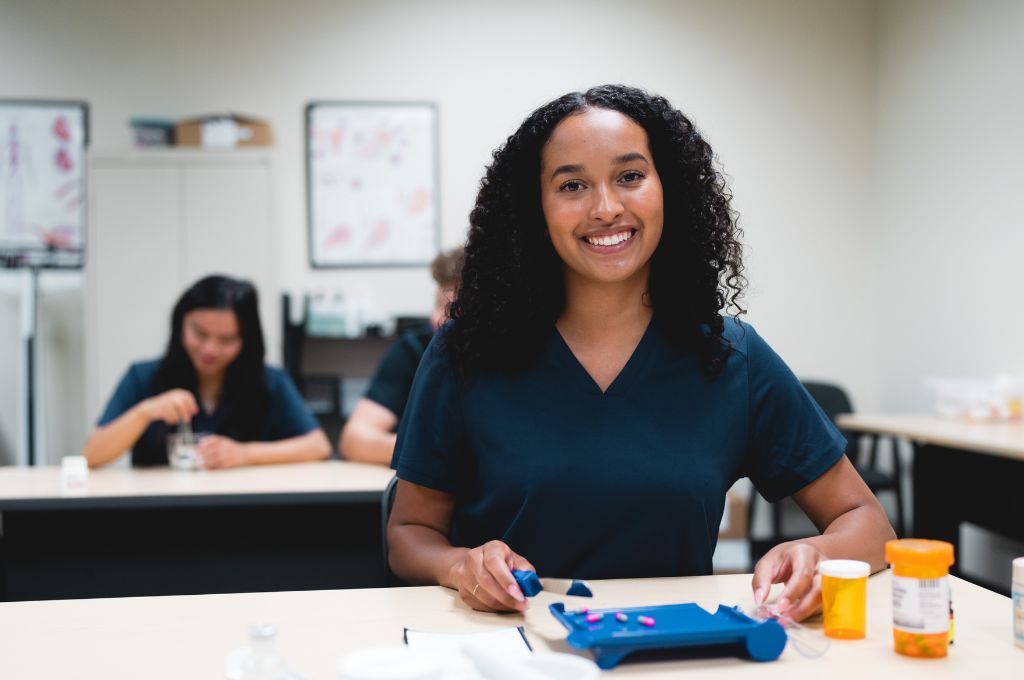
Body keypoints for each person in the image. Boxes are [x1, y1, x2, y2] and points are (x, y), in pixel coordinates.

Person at [387, 85, 895, 620]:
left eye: (630, 176)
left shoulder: (729, 358)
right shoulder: (467, 350)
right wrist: (459, 564)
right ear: (534, 208)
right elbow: (409, 533)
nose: (606, 208)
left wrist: (818, 553)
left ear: (667, 189)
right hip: (514, 650)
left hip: (674, 651)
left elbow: (868, 522)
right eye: (572, 185)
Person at [83, 275, 331, 469]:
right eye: (200, 334)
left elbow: (318, 446)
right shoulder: (143, 377)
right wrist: (147, 411)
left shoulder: (270, 382)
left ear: (246, 339)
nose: (210, 349)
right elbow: (92, 455)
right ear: (180, 323)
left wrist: (244, 454)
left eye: (227, 339)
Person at [339, 247, 464, 465]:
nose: (436, 318)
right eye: (437, 304)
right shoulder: (415, 348)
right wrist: (432, 454)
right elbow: (354, 440)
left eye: (451, 308)